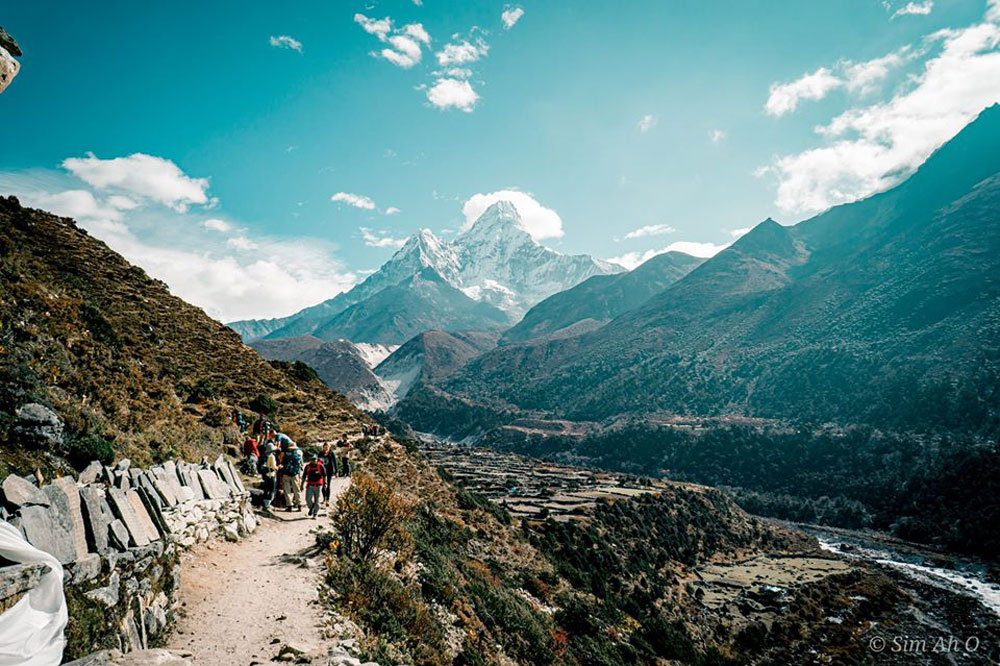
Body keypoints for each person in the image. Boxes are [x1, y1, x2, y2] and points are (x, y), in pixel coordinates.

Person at [280, 440, 304, 512]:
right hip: (295, 474)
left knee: (287, 490)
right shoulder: (299, 454)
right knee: (296, 489)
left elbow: (282, 463)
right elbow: (301, 464)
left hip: (286, 474)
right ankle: (299, 505)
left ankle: (289, 505)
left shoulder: (285, 454)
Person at [303, 453, 327, 518]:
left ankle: (315, 513)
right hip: (310, 484)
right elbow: (304, 476)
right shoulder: (307, 467)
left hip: (318, 485)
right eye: (311, 459)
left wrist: (325, 483)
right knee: (308, 499)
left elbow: (324, 475)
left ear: (317, 459)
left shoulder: (320, 466)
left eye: (314, 459)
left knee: (317, 500)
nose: (313, 461)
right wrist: (301, 485)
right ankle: (312, 508)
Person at [259, 442, 278, 512]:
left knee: (266, 489)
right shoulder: (271, 456)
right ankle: (268, 505)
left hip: (265, 475)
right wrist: (278, 467)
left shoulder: (264, 455)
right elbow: (273, 466)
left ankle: (265, 504)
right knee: (272, 489)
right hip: (271, 475)